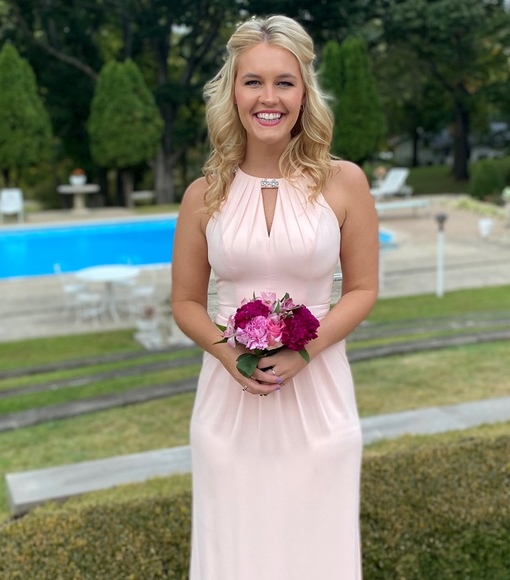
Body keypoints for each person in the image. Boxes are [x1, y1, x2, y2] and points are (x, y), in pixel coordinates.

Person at [171, 14, 379, 579]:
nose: (269, 97)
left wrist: (304, 350)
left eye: (284, 82)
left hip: (320, 401)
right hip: (228, 407)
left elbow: (362, 289)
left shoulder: (344, 182)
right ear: (233, 92)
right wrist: (228, 354)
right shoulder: (203, 194)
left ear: (304, 92)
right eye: (253, 81)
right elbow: (185, 302)